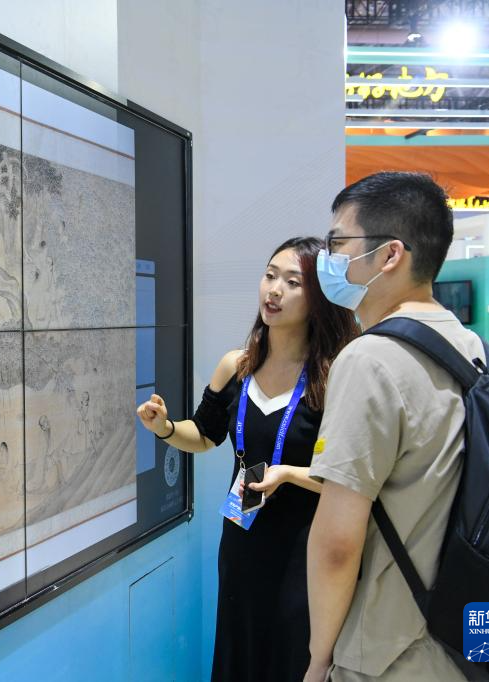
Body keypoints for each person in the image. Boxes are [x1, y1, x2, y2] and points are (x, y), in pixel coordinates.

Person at [137, 237, 358, 681]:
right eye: (270, 275)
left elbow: (349, 476)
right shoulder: (236, 366)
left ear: (318, 298)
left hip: (305, 548)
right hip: (242, 538)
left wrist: (289, 473)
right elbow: (205, 434)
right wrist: (165, 427)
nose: (273, 290)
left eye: (292, 282)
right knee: (240, 652)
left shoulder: (333, 375)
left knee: (292, 655)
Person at [304, 172, 486, 682]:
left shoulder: (370, 359)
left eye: (338, 244)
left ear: (389, 255)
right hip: (468, 641)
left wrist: (319, 659)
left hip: (392, 651)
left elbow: (337, 544)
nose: (328, 259)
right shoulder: (476, 351)